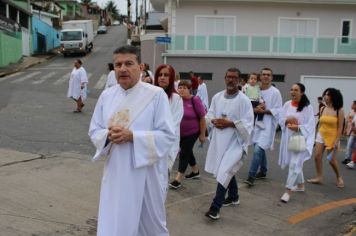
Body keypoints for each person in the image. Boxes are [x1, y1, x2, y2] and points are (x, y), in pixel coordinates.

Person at [88, 45, 175, 236]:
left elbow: (168, 135)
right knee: (116, 222)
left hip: (146, 174)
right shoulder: (106, 96)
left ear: (141, 67)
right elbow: (94, 130)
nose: (122, 69)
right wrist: (107, 136)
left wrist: (133, 136)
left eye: (129, 63)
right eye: (118, 64)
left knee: (149, 225)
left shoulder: (156, 95)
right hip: (116, 172)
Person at [204, 67, 254, 220]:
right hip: (219, 141)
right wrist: (213, 121)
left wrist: (230, 123)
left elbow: (248, 123)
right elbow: (210, 113)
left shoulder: (244, 100)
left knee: (224, 171)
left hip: (235, 143)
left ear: (239, 80)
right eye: (228, 77)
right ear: (225, 78)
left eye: (234, 77)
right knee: (226, 170)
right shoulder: (217, 97)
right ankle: (234, 196)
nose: (231, 80)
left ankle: (215, 207)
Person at [244, 68, 283, 186]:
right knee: (258, 147)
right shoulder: (255, 90)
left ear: (271, 78)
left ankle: (251, 176)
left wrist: (264, 111)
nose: (266, 76)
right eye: (264, 74)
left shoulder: (275, 92)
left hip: (267, 126)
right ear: (260, 77)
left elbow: (278, 110)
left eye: (268, 75)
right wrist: (255, 109)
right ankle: (263, 171)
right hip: (255, 124)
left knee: (257, 149)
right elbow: (248, 105)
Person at [277, 83, 315, 203]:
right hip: (288, 137)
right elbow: (281, 118)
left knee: (294, 164)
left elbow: (311, 125)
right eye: (292, 89)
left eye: (296, 90)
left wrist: (298, 127)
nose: (293, 92)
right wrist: (288, 120)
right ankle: (300, 185)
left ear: (302, 93)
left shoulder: (307, 107)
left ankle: (288, 191)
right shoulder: (287, 104)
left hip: (300, 138)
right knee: (294, 163)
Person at [169, 80, 207, 189]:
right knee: (188, 151)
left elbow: (202, 118)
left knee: (184, 152)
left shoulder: (195, 100)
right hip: (179, 133)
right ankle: (195, 171)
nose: (181, 90)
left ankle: (178, 179)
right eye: (180, 87)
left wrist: (202, 134)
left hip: (192, 132)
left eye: (184, 88)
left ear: (189, 89)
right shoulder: (177, 100)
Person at [307, 88, 345, 188]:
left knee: (331, 160)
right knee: (317, 156)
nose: (325, 96)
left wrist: (337, 141)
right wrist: (316, 136)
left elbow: (340, 127)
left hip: (333, 137)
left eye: (328, 95)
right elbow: (320, 123)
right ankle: (319, 177)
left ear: (334, 97)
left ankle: (339, 177)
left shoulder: (339, 110)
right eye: (325, 94)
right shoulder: (322, 108)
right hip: (321, 134)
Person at [154, 64, 184, 171]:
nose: (162, 77)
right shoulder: (150, 96)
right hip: (149, 143)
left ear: (171, 78)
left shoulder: (176, 99)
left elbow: (174, 124)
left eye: (166, 75)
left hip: (167, 145)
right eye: (160, 75)